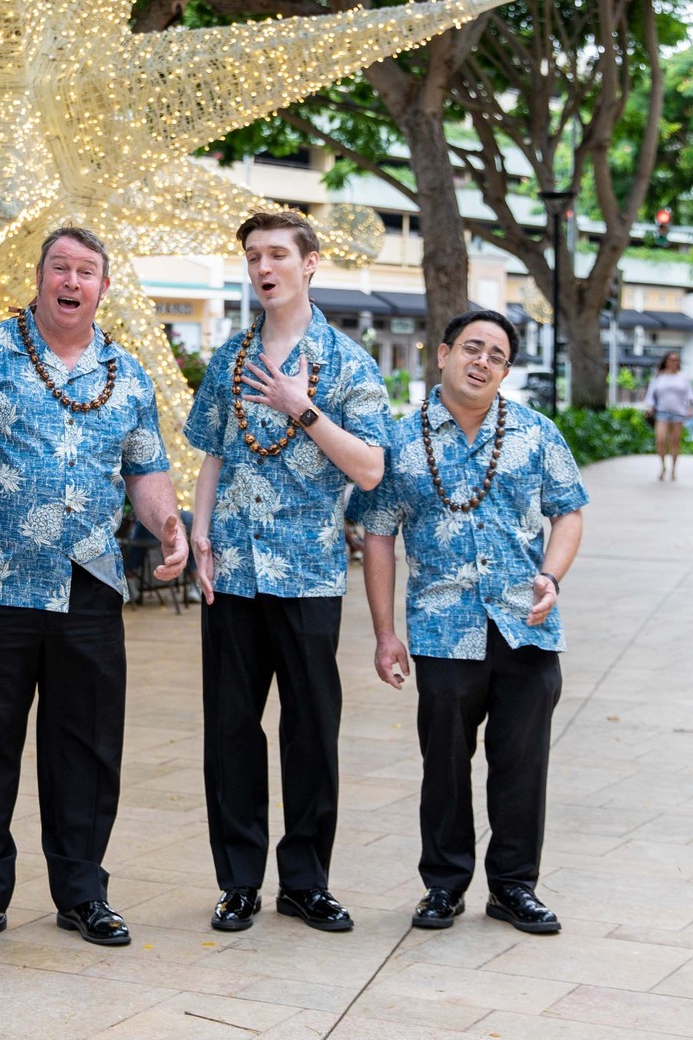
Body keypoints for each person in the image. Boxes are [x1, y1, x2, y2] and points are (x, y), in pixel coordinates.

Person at [0, 227, 188, 953]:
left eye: (87, 271)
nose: (72, 280)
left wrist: (169, 525)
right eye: (60, 267)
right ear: (39, 277)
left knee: (89, 747)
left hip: (90, 585)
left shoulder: (127, 374)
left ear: (103, 287)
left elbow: (147, 472)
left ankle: (82, 892)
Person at [184, 211, 390, 936]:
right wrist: (199, 529)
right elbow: (210, 449)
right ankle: (238, 882)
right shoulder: (228, 359)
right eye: (252, 256)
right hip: (233, 574)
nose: (262, 267)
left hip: (307, 574)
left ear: (309, 264)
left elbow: (370, 467)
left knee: (311, 731)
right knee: (231, 731)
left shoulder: (349, 363)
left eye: (276, 254)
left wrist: (304, 410)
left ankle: (305, 881)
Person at [350, 307, 587, 936]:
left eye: (497, 356)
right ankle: (443, 886)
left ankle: (513, 887)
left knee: (522, 764)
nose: (482, 362)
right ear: (443, 354)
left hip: (525, 628)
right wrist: (383, 631)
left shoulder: (536, 433)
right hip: (441, 630)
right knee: (445, 767)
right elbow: (377, 536)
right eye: (472, 348)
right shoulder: (399, 442)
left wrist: (552, 576)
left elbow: (568, 513)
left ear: (506, 370)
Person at [641, 351, 693, 481]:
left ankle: (673, 470)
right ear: (666, 361)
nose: (674, 362)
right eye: (671, 359)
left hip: (678, 413)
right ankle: (663, 466)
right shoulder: (658, 377)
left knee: (675, 442)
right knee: (660, 439)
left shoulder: (683, 377)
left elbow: (690, 395)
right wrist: (650, 407)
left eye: (676, 359)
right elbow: (651, 395)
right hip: (662, 412)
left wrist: (690, 408)